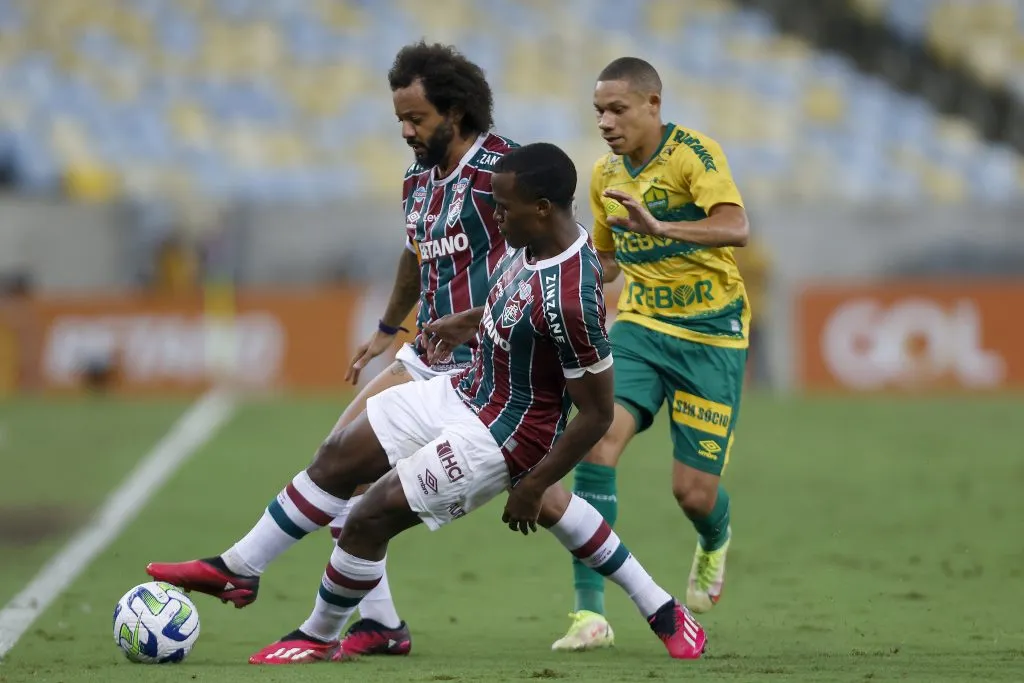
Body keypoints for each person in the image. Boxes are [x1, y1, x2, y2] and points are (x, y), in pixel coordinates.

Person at [146, 143, 708, 664]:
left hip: (501, 436)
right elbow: (511, 303)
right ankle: (240, 569)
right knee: (338, 457)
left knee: (368, 520)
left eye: (504, 208)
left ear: (540, 208)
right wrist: (465, 322)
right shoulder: (539, 239)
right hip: (464, 389)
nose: (497, 218)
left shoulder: (572, 300)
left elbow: (597, 414)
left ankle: (318, 635)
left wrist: (532, 485)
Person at [149, 42, 518, 658]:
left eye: (417, 119)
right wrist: (386, 324)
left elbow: (546, 251)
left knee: (550, 502)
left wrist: (492, 318)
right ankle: (379, 624)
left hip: (483, 364)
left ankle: (252, 573)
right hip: (424, 355)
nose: (405, 130)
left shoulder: (501, 174)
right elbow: (416, 251)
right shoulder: (419, 178)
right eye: (399, 118)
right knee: (338, 466)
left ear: (457, 112)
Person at [551, 57, 751, 652]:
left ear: (652, 106)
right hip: (640, 326)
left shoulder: (694, 155)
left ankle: (714, 540)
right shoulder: (603, 174)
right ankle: (589, 615)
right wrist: (571, 274)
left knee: (693, 493)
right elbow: (610, 259)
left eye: (617, 109)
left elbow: (737, 226)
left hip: (711, 335)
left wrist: (661, 227)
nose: (606, 122)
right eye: (598, 112)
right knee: (597, 439)